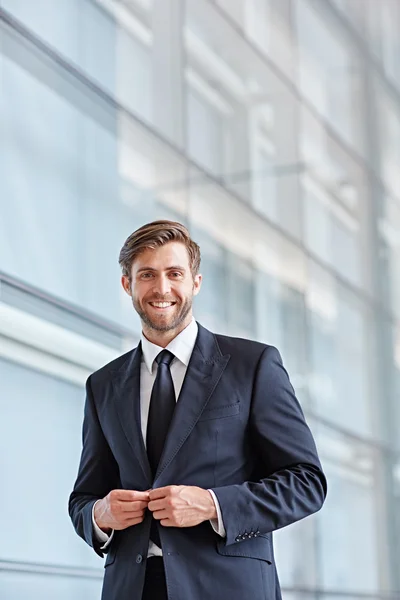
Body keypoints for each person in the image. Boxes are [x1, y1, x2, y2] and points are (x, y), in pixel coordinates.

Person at [69, 220, 327, 600]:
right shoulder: (103, 384)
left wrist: (212, 505)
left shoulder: (253, 365)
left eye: (175, 273)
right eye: (147, 275)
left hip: (227, 586)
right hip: (132, 588)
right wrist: (100, 515)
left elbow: (307, 482)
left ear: (196, 283)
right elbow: (84, 497)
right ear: (128, 285)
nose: (162, 288)